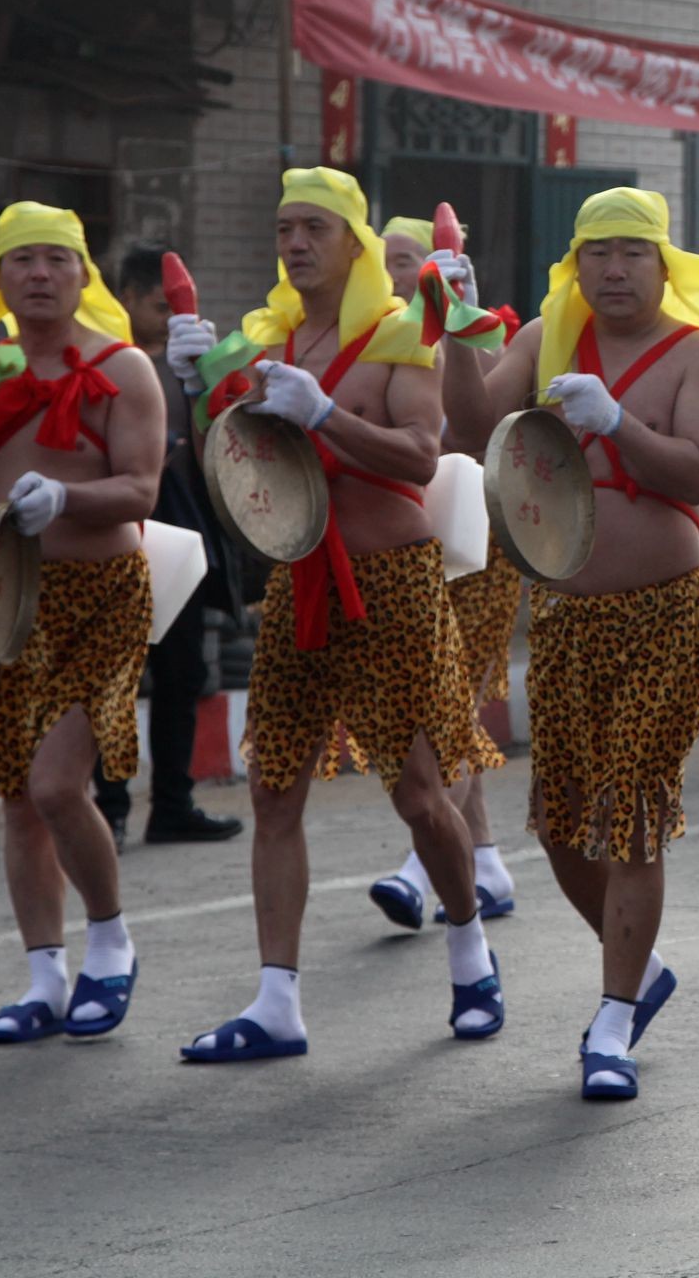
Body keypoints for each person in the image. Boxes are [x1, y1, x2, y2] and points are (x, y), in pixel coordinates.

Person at [171, 168, 504, 1062]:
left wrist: (325, 415)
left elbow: (424, 454)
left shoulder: (399, 332)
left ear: (353, 242)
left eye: (314, 227)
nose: (295, 243)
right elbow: (237, 457)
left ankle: (471, 950)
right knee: (273, 786)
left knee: (419, 794)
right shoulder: (271, 334)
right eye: (284, 228)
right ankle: (277, 1002)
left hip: (392, 581)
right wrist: (199, 384)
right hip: (298, 581)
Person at [442, 187, 699, 1099]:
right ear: (575, 265)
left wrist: (618, 422)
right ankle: (642, 968)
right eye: (597, 254)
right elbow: (468, 431)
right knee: (561, 824)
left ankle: (612, 1017)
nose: (614, 271)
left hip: (664, 611)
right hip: (568, 615)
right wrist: (455, 333)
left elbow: (697, 470)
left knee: (633, 815)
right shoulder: (546, 339)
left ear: (664, 264)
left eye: (633, 253)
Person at [0, 203, 164, 1043]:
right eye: (23, 261)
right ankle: (44, 979)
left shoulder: (124, 368)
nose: (40, 274)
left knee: (57, 785)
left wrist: (69, 497)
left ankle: (112, 942)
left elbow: (142, 490)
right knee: (20, 799)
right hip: (6, 597)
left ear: (84, 276)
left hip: (106, 596)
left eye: (57, 259)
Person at [362, 215, 522, 925]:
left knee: (457, 702)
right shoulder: (371, 346)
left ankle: (421, 868)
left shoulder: (485, 330)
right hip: (408, 552)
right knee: (446, 711)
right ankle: (483, 859)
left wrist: (464, 325)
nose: (399, 273)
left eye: (412, 260)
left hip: (479, 543)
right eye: (390, 260)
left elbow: (481, 419)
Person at [90, 246, 244, 848]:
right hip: (117, 537)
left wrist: (206, 380)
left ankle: (173, 803)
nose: (169, 315)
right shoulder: (105, 362)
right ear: (125, 297)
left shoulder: (194, 365)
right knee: (114, 680)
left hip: (179, 539)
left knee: (181, 674)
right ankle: (109, 806)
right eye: (159, 305)